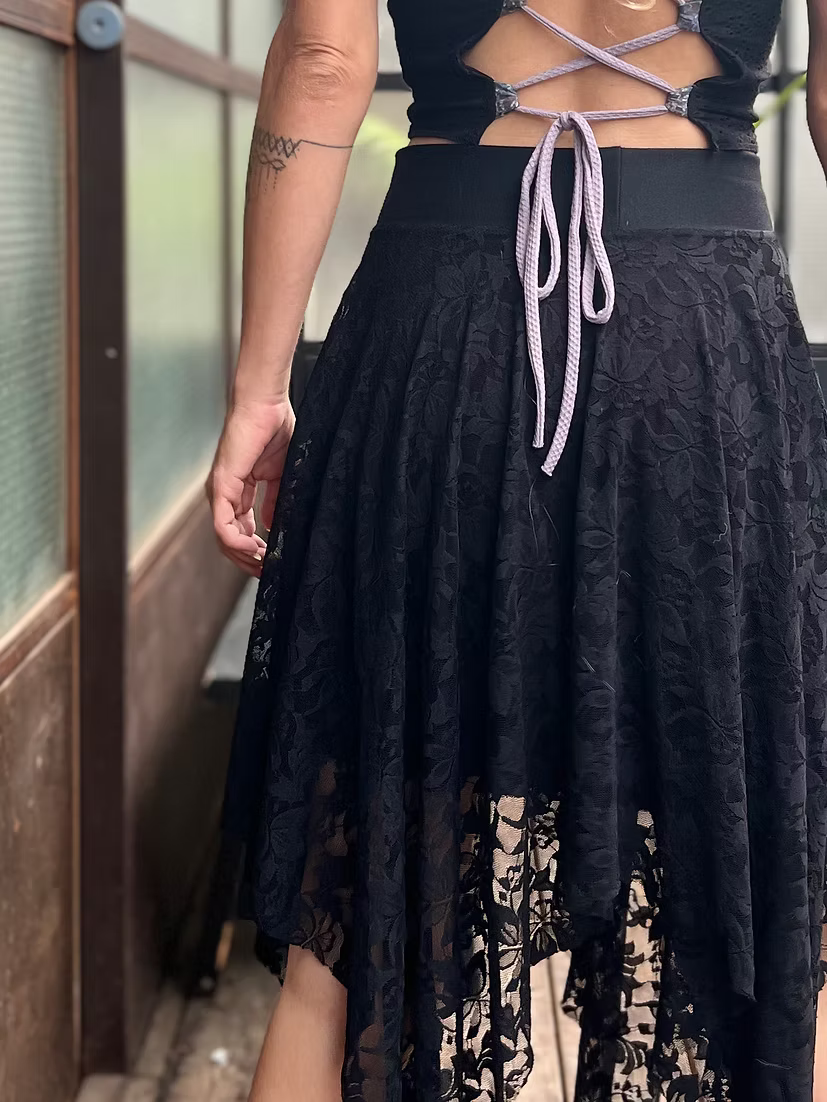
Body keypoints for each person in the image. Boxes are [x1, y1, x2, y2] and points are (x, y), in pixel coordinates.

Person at [206, 0, 827, 1098]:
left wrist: (260, 390)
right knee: (764, 879)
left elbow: (322, 59)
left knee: (350, 905)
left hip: (438, 334)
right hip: (700, 346)